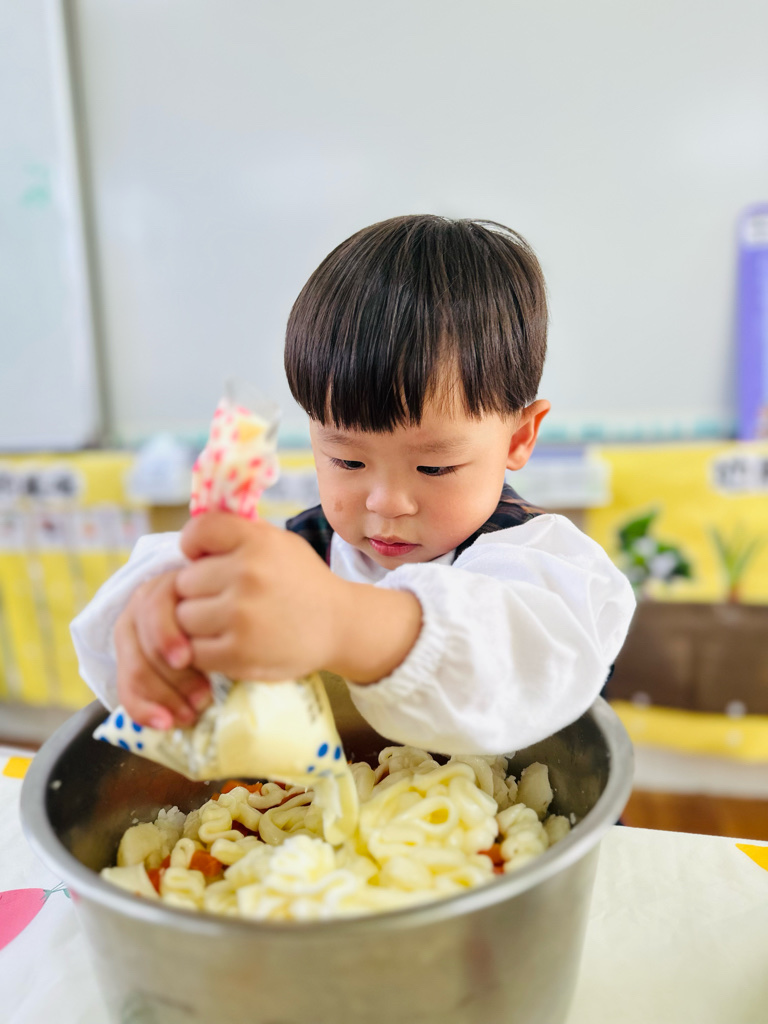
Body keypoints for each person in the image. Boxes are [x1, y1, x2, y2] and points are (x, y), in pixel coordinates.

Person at [71, 215, 635, 755]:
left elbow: (518, 659)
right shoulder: (302, 552)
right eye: (346, 460)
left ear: (519, 437)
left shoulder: (543, 566)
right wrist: (168, 611)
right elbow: (128, 635)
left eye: (434, 468)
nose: (386, 502)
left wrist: (338, 621)